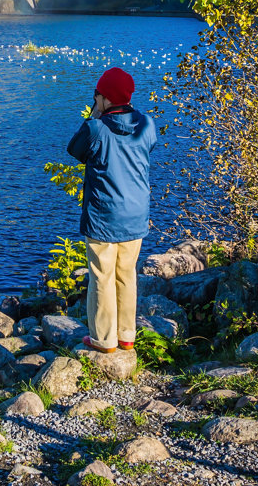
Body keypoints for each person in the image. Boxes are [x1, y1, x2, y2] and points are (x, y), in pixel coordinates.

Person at [67, 66, 156, 354]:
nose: (94, 100)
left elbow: (75, 150)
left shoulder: (96, 129)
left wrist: (93, 116)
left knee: (101, 277)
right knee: (127, 274)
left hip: (104, 216)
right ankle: (127, 336)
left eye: (97, 96)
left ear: (104, 98)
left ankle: (103, 340)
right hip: (135, 214)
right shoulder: (147, 125)